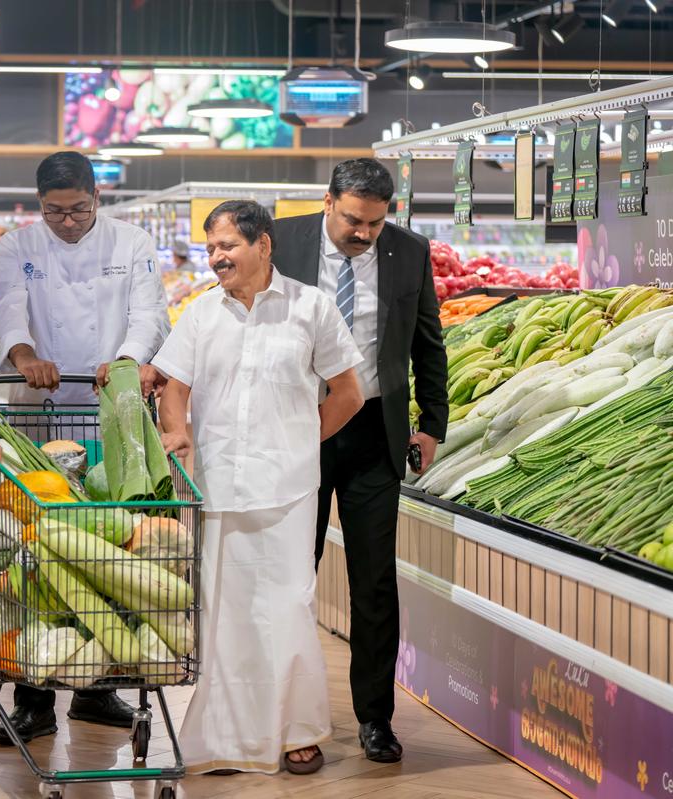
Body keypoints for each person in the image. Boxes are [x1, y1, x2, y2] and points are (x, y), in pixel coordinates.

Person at [151, 199, 365, 776]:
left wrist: (301, 440)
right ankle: (223, 736)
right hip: (216, 488)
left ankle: (298, 730)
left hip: (288, 492)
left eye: (228, 246)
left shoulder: (310, 308)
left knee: (287, 609)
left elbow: (348, 393)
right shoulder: (200, 314)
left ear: (263, 244)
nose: (217, 257)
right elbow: (173, 388)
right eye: (212, 247)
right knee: (222, 612)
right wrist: (180, 437)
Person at [0, 150, 169, 743]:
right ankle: (33, 696)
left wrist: (127, 360)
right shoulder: (18, 245)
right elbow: (6, 306)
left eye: (78, 210)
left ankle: (97, 689)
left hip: (107, 412)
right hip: (37, 415)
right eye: (54, 212)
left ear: (99, 198)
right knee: (36, 549)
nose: (66, 222)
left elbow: (149, 313)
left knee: (108, 550)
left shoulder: (132, 242)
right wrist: (23, 356)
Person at [269, 158, 448, 764]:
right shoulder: (279, 238)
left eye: (373, 223)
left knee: (374, 583)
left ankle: (375, 718)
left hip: (374, 431)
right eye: (351, 220)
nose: (362, 233)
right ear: (327, 201)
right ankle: (285, 713)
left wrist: (432, 425)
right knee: (294, 571)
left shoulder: (409, 251)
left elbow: (429, 342)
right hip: (299, 427)